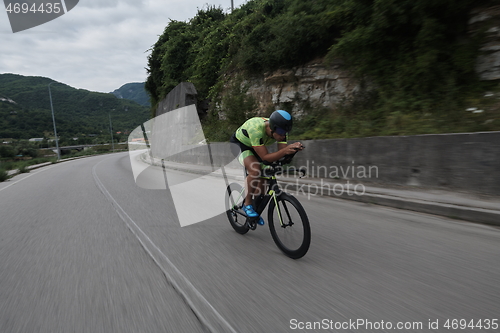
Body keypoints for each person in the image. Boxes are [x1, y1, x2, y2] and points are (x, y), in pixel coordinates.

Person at [230, 110, 304, 225]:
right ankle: (247, 204)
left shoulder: (281, 130)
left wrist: (292, 151)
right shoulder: (256, 129)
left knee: (265, 178)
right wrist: (285, 150)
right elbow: (265, 157)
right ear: (271, 128)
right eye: (280, 132)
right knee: (255, 171)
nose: (283, 136)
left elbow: (281, 154)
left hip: (256, 146)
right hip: (240, 144)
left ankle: (255, 208)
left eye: (286, 132)